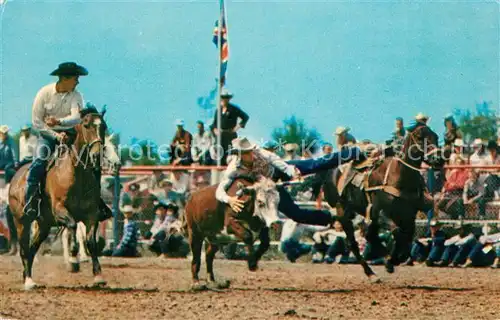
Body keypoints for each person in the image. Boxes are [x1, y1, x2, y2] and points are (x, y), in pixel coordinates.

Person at [215, 137, 370, 229]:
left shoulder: (260, 153)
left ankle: (355, 152)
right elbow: (219, 190)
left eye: (250, 150)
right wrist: (229, 199)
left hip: (278, 172)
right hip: (267, 189)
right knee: (296, 214)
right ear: (240, 155)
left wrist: (291, 171)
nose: (251, 154)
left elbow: (277, 161)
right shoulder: (233, 169)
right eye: (247, 152)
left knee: (315, 164)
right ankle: (331, 218)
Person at [23, 62, 112, 222]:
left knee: (92, 160)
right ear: (64, 78)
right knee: (38, 162)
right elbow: (37, 122)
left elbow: (76, 118)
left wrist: (59, 121)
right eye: (75, 78)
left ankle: (97, 201)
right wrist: (55, 135)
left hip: (70, 132)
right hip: (47, 135)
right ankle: (31, 202)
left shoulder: (76, 95)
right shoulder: (44, 94)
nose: (77, 82)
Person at [210, 89, 249, 165]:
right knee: (218, 156)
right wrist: (214, 129)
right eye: (223, 97)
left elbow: (245, 117)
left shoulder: (234, 109)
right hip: (220, 137)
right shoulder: (218, 110)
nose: (225, 99)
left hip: (230, 136)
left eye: (227, 97)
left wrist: (238, 127)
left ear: (229, 98)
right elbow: (214, 124)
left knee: (231, 156)